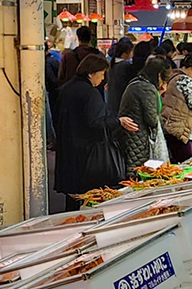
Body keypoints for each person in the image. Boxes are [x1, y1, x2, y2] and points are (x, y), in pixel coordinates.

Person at [52, 53, 137, 211]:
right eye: (102, 73)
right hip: (87, 153)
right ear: (91, 73)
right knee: (89, 196)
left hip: (68, 147)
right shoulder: (90, 93)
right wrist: (119, 121)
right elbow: (96, 123)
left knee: (72, 196)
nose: (103, 78)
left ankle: (70, 222)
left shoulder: (67, 88)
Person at [119, 56, 173, 173]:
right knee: (138, 173)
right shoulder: (147, 89)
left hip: (130, 137)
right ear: (159, 76)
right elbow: (152, 120)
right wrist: (159, 94)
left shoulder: (136, 83)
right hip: (138, 139)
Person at [162, 54, 192, 163]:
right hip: (179, 128)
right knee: (186, 161)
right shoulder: (185, 80)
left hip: (171, 124)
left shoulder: (174, 76)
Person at [104, 38, 136, 107]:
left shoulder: (112, 65)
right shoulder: (125, 66)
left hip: (111, 102)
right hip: (121, 103)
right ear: (124, 54)